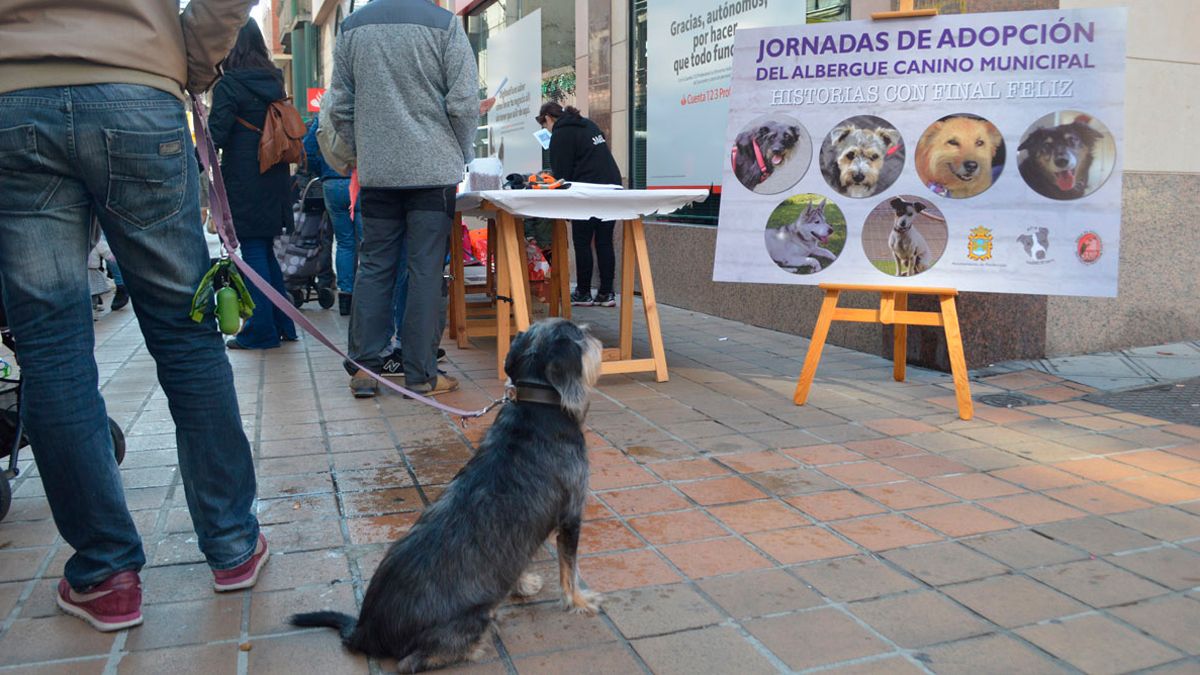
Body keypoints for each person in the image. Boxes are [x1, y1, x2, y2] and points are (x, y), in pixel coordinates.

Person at [0, 0, 267, 632]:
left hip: (13, 99)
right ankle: (232, 543)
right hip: (136, 89)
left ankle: (105, 572)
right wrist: (188, 63)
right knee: (186, 334)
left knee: (51, 349)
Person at [325, 0, 481, 398]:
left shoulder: (352, 28)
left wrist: (367, 150)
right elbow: (463, 103)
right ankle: (422, 374)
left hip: (378, 174)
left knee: (374, 266)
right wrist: (460, 153)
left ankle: (364, 368)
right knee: (426, 270)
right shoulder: (445, 26)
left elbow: (340, 107)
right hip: (432, 172)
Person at [209, 20, 299, 350]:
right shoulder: (273, 80)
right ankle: (282, 322)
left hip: (244, 178)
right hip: (274, 175)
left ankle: (261, 329)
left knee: (252, 250)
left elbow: (215, 135)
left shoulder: (229, 85)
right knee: (264, 248)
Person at [537, 101, 623, 307]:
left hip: (587, 190)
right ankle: (606, 293)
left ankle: (583, 292)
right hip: (611, 186)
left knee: (582, 241)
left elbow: (561, 173)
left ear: (548, 118)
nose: (546, 130)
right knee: (604, 241)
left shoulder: (560, 133)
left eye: (544, 125)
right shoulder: (587, 124)